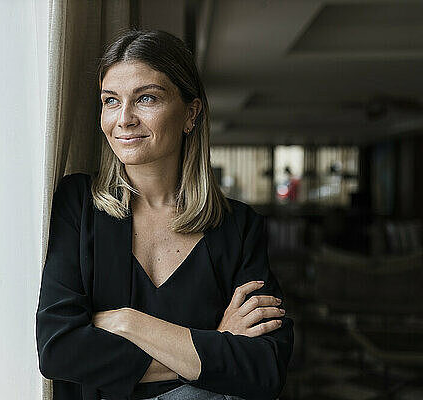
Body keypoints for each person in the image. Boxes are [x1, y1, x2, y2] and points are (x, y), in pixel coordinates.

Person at [36, 30, 294, 400]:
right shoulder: (79, 204)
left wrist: (128, 322)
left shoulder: (238, 227)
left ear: (190, 113)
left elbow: (265, 367)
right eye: (111, 101)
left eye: (146, 98)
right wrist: (216, 344)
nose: (123, 119)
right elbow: (58, 349)